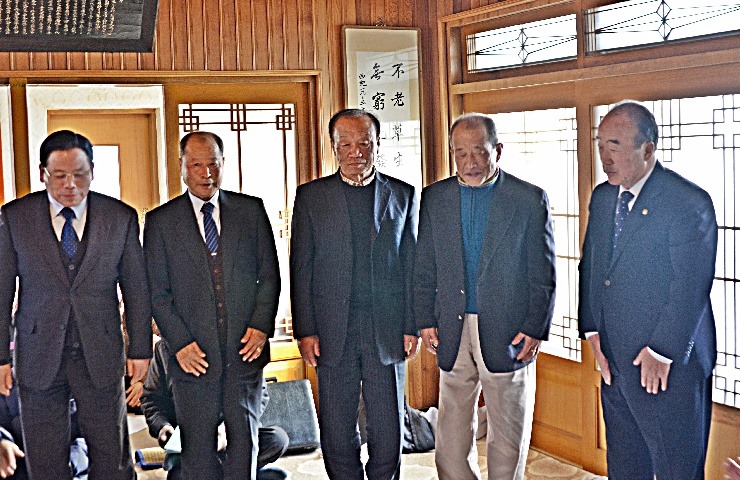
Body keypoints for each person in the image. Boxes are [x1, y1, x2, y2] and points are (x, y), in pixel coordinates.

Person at [0, 130, 152, 480]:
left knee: (112, 460)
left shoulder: (119, 217)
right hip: (38, 355)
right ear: (43, 174)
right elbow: (2, 291)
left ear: (92, 171)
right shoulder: (15, 217)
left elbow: (137, 289)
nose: (70, 184)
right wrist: (1, 357)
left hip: (100, 352)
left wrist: (140, 350)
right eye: (59, 175)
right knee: (45, 463)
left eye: (79, 174)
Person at [578, 101, 718, 480]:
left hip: (668, 365)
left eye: (615, 146)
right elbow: (591, 266)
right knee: (625, 465)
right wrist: (592, 330)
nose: (604, 157)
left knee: (676, 468)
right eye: (600, 146)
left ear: (648, 149)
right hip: (614, 357)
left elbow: (689, 286)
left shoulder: (687, 202)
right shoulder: (604, 197)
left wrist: (662, 350)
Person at [413, 113, 556, 480]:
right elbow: (425, 264)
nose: (470, 161)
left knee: (508, 433)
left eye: (479, 151)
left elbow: (543, 273)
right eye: (460, 153)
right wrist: (425, 319)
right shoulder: (435, 197)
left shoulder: (528, 198)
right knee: (450, 435)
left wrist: (536, 327)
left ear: (498, 150)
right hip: (452, 323)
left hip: (510, 328)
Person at [290, 108, 419, 479]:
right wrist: (306, 330)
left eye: (364, 143)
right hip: (333, 330)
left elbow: (412, 266)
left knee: (388, 425)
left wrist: (412, 324)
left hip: (387, 329)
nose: (355, 152)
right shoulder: (312, 197)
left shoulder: (402, 194)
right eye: (345, 144)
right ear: (333, 147)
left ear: (377, 144)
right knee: (336, 426)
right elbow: (301, 268)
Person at [144, 131, 280, 480]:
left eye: (213, 164)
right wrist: (180, 344)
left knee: (244, 450)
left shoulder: (250, 211)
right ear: (182, 167)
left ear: (223, 164)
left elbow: (269, 276)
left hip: (244, 354)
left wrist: (261, 327)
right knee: (198, 457)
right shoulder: (160, 222)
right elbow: (157, 294)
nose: (206, 173)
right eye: (196, 165)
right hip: (193, 359)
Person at [140, 339, 289, 480]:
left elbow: (259, 393)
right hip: (190, 443)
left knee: (277, 439)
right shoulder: (165, 348)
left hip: (233, 435)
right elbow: (151, 399)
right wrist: (162, 426)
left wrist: (228, 430)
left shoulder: (239, 340)